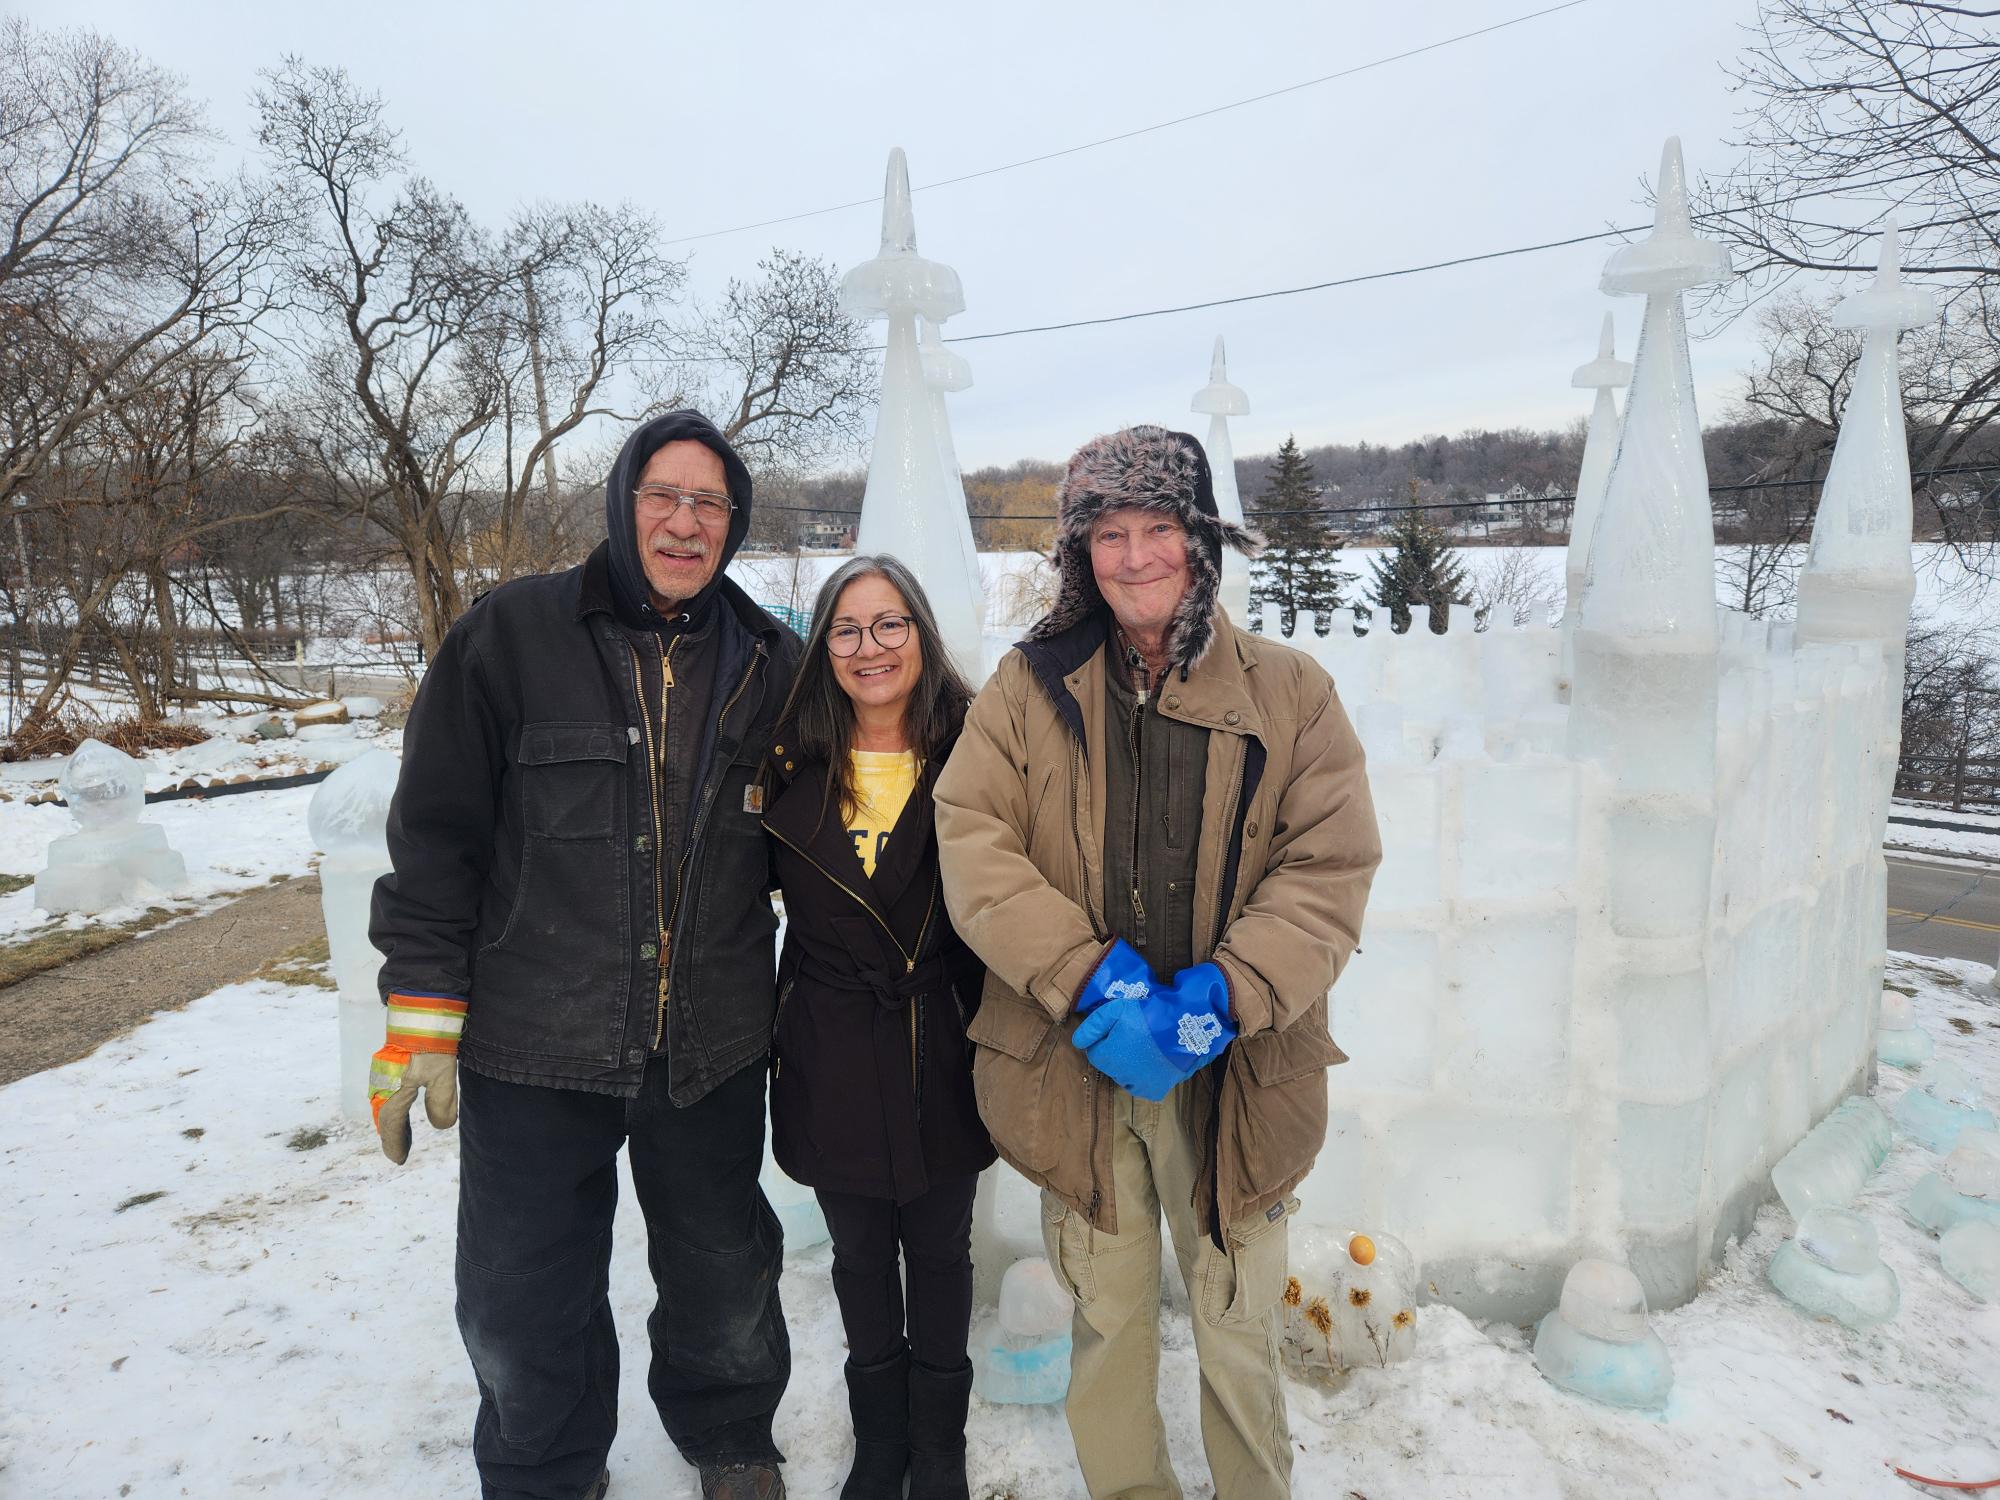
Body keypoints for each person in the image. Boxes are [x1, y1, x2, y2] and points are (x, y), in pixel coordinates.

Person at [935, 425, 1381, 1500]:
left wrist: (1221, 995)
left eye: (1158, 531)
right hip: (1077, 1068)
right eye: (1107, 535)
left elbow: (1328, 865)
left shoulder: (1290, 692)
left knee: (1235, 1330)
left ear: (1200, 543)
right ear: (1078, 555)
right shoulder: (1025, 690)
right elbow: (972, 840)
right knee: (1107, 1320)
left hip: (1235, 1075)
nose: (1133, 558)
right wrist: (1090, 976)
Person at [367, 410, 803, 1500]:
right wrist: (421, 1016)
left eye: (710, 504)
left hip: (706, 1044)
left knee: (723, 1272)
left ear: (733, 524)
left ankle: (731, 1437)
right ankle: (543, 1470)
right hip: (532, 1040)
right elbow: (435, 840)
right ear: (621, 501)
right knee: (522, 1293)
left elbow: (841, 828)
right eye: (664, 495)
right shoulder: (506, 639)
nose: (685, 522)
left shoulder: (772, 661)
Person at [761, 556, 994, 1500]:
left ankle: (939, 1449)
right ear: (824, 649)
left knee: (939, 1252)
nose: (870, 649)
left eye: (890, 624)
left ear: (923, 636)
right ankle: (881, 1444)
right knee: (858, 1255)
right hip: (830, 1043)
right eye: (848, 630)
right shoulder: (787, 762)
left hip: (942, 1034)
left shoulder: (980, 749)